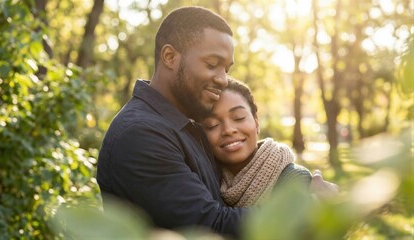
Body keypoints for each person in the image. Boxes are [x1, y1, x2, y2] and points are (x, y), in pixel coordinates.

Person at [96, 6, 337, 239]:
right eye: (212, 64)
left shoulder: (186, 125)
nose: (222, 80)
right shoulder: (140, 133)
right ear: (170, 56)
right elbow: (210, 225)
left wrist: (295, 177)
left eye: (226, 69)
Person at [201, 77, 314, 207]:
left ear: (256, 121)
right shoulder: (203, 183)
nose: (228, 130)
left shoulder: (294, 179)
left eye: (239, 117)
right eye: (212, 124)